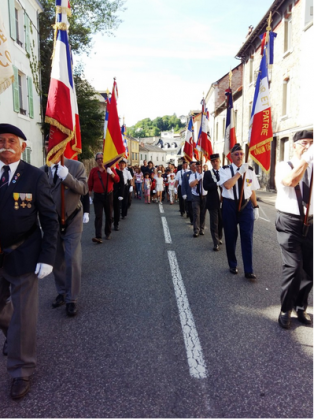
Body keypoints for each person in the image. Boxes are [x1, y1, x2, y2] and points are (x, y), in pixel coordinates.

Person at [0, 124, 58, 400]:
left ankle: (21, 370)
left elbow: (49, 219)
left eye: (12, 140)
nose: (5, 144)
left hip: (24, 253)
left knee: (23, 317)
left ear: (22, 146)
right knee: (4, 311)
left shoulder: (34, 176)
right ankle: (12, 336)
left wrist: (47, 257)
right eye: (0, 141)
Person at [41, 148, 88, 317]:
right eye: (47, 145)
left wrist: (67, 177)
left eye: (53, 144)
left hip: (72, 219)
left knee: (72, 258)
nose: (50, 148)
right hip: (52, 222)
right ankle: (62, 291)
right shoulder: (42, 171)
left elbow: (83, 189)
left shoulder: (77, 166)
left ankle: (72, 299)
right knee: (57, 258)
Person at [275, 130, 313, 329]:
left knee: (309, 269)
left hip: (310, 223)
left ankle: (301, 305)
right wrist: (306, 159)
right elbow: (291, 181)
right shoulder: (284, 166)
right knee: (294, 267)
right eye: (304, 143)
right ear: (294, 145)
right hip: (289, 221)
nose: (308, 146)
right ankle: (285, 309)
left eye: (311, 143)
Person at [218, 143, 260, 279]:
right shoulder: (224, 170)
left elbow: (251, 190)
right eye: (236, 154)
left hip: (246, 206)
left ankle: (249, 269)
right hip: (229, 205)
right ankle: (232, 264)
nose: (240, 156)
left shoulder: (250, 170)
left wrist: (256, 206)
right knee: (230, 237)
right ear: (231, 156)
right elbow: (227, 185)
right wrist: (239, 173)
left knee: (247, 237)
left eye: (241, 153)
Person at [88, 152, 120, 243]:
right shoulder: (93, 171)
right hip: (98, 196)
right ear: (96, 161)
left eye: (101, 158)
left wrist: (112, 174)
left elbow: (117, 180)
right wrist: (89, 196)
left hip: (108, 195)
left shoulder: (110, 169)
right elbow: (90, 183)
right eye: (98, 159)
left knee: (109, 215)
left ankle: (108, 232)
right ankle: (98, 236)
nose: (100, 160)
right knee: (98, 216)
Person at [203, 153, 223, 251]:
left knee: (221, 222)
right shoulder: (207, 173)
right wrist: (216, 184)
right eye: (213, 161)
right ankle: (215, 243)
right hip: (213, 201)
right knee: (214, 223)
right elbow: (205, 186)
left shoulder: (224, 172)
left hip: (224, 201)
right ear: (211, 163)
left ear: (220, 161)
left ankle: (219, 237)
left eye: (217, 161)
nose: (215, 163)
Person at [189, 161, 208, 237]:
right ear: (195, 168)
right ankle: (196, 230)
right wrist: (198, 179)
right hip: (196, 196)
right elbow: (191, 184)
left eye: (200, 166)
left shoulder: (206, 174)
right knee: (196, 213)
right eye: (197, 167)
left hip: (204, 196)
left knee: (203, 213)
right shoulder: (193, 175)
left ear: (202, 167)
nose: (199, 168)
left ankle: (202, 228)